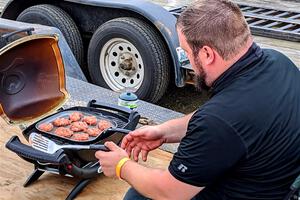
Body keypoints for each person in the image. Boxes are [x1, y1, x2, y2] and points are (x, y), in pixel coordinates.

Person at [95, 0, 300, 199]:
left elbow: (170, 192)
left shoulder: (219, 121)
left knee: (138, 196)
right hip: (278, 181)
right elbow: (223, 120)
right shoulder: (279, 62)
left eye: (186, 52)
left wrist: (122, 166)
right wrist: (164, 131)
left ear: (207, 54)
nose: (188, 62)